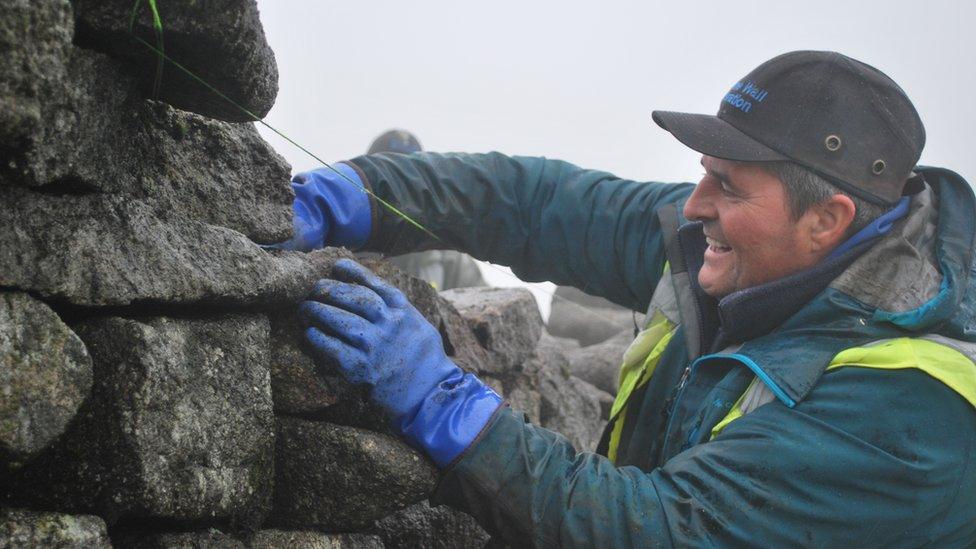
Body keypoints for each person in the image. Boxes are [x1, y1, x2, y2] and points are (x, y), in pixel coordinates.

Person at [279, 51, 976, 546]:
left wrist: (442, 400)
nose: (694, 205)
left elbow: (663, 527)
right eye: (706, 173)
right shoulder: (742, 245)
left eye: (730, 186)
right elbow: (533, 203)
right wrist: (356, 196)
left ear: (828, 219)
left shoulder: (910, 408)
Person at [364, 129, 486, 290]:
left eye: (407, 175)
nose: (398, 187)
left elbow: (481, 301)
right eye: (387, 177)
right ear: (367, 180)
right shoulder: (346, 243)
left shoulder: (450, 259)